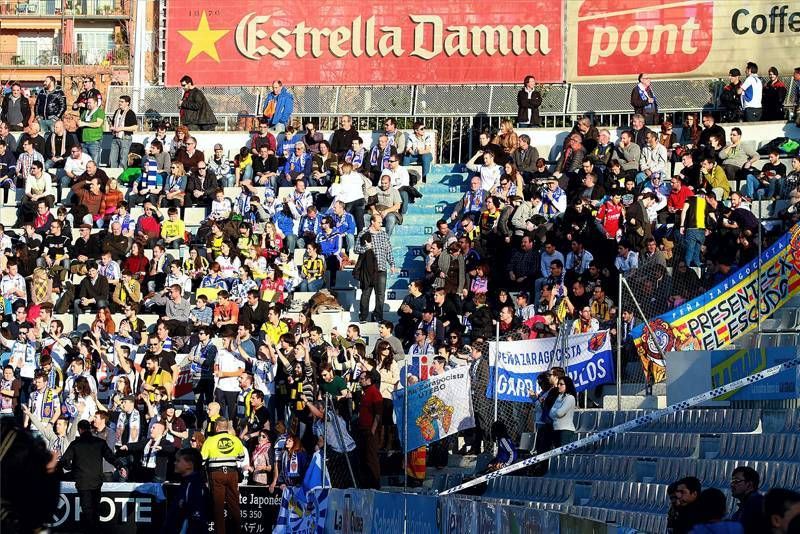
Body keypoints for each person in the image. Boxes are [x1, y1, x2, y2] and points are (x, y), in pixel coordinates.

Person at [59, 419, 127, 531]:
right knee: (95, 509)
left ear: (79, 430)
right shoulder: (99, 443)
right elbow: (111, 457)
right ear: (90, 428)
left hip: (82, 481)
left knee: (86, 510)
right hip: (96, 481)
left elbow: (64, 461)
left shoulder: (75, 444)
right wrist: (120, 466)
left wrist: (72, 468)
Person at [200, 417, 245, 534]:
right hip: (231, 473)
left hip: (216, 474)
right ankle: (237, 531)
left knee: (218, 505)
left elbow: (202, 460)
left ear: (217, 427)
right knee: (234, 504)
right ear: (227, 427)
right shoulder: (235, 440)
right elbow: (241, 457)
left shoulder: (210, 440)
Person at [354, 213, 398, 322]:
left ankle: (378, 315)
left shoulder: (384, 234)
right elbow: (356, 249)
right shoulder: (363, 233)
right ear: (372, 222)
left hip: (381, 268)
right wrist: (365, 247)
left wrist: (392, 264)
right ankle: (363, 316)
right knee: (366, 293)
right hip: (367, 269)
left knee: (380, 295)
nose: (381, 224)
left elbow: (388, 250)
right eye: (379, 222)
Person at [162, 448, 209, 534]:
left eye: (178, 461)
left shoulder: (195, 485)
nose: (174, 463)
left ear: (189, 465)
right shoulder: (185, 483)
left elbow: (197, 516)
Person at [356, 370, 382, 489]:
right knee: (363, 458)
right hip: (362, 429)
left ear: (368, 380)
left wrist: (373, 430)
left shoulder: (374, 393)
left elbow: (378, 414)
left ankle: (375, 484)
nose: (360, 381)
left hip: (369, 430)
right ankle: (366, 483)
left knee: (371, 459)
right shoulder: (365, 393)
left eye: (362, 378)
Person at [729, 466, 765, 534]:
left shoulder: (757, 506)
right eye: (732, 481)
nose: (732, 485)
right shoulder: (744, 507)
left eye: (736, 481)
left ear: (749, 484)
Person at [108, 95, 138, 168]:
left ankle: (121, 177)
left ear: (127, 103)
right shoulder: (117, 111)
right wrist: (112, 127)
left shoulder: (130, 113)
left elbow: (135, 127)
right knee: (112, 158)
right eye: (119, 101)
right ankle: (113, 176)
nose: (119, 103)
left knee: (123, 160)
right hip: (115, 137)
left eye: (122, 102)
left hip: (125, 137)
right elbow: (113, 123)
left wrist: (122, 128)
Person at [549, 375, 576, 447]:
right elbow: (550, 413)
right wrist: (555, 411)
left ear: (567, 385)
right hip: (556, 429)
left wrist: (555, 411)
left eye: (561, 384)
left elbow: (560, 413)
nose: (558, 386)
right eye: (558, 384)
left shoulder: (570, 398)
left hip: (565, 430)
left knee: (563, 454)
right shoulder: (559, 397)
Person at [78, 96, 105, 163]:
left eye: (90, 103)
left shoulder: (99, 111)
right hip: (84, 141)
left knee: (94, 162)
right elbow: (80, 121)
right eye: (87, 103)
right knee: (84, 163)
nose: (88, 104)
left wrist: (85, 124)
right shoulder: (85, 112)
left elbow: (98, 123)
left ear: (95, 103)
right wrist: (79, 122)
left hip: (94, 141)